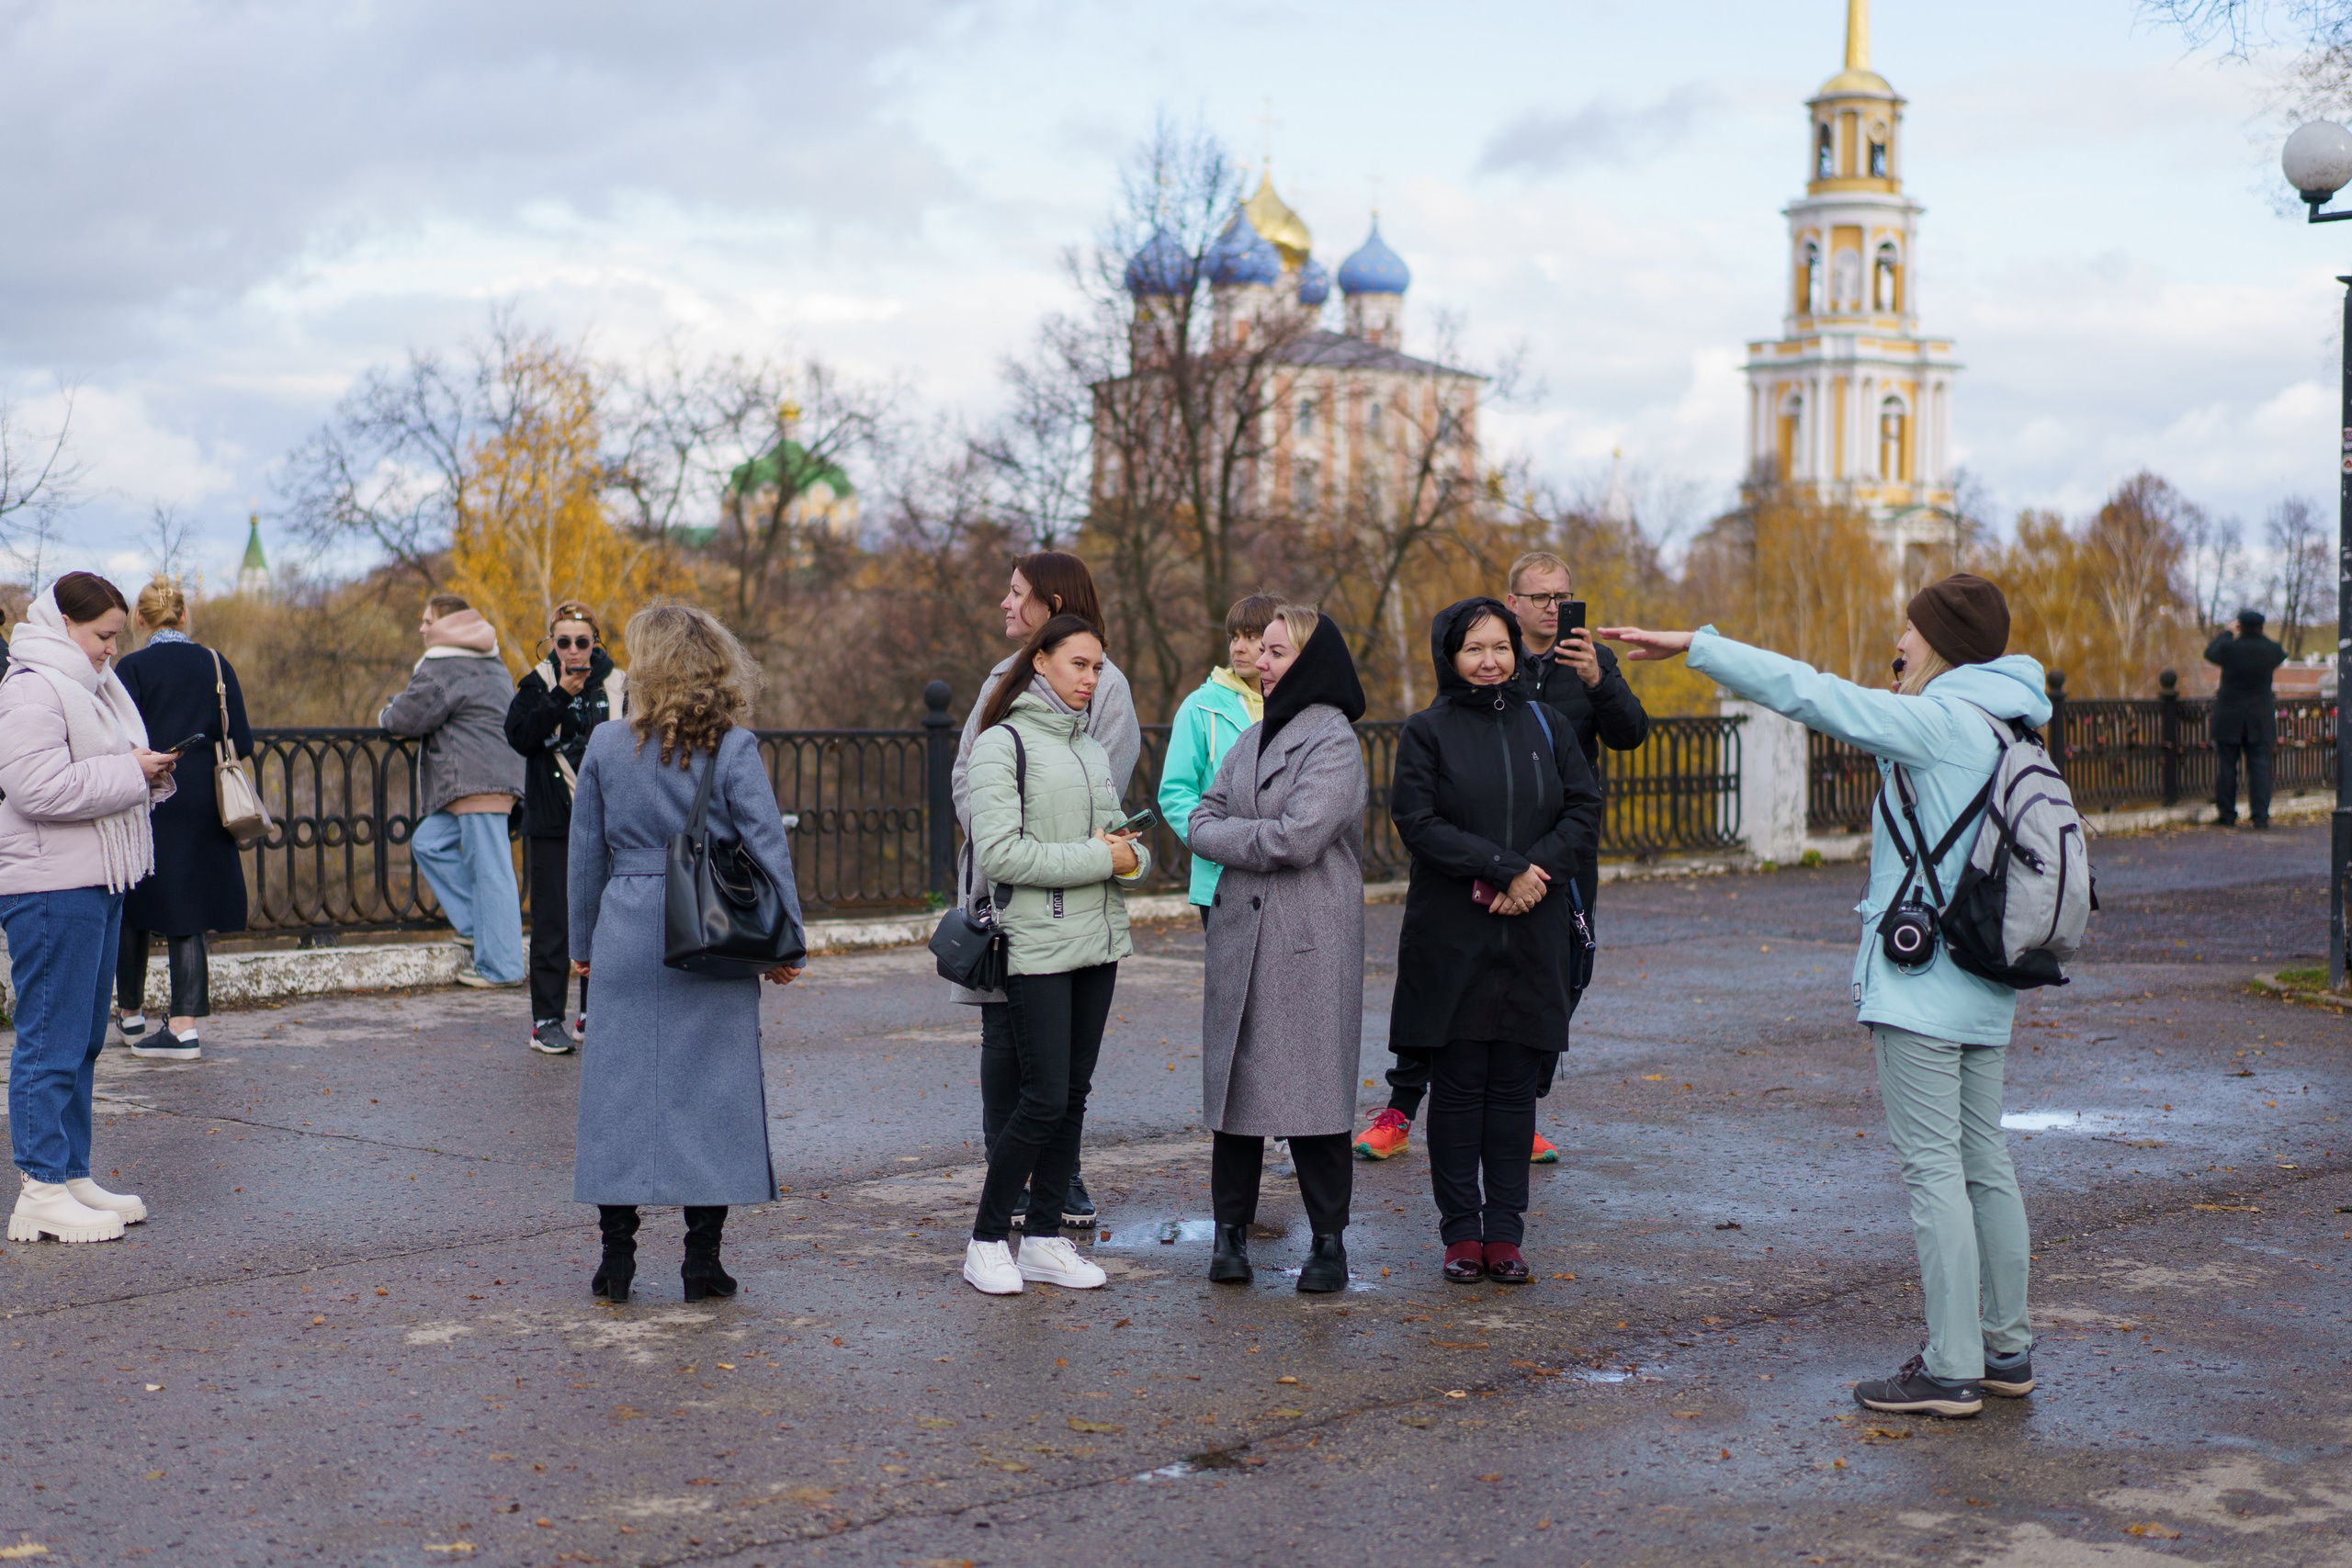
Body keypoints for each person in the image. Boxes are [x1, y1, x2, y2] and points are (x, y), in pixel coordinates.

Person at [1604, 572, 2042, 1418]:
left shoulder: (1940, 720)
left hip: (1924, 983)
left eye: (1911, 631)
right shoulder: (2013, 725)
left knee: (1933, 1169)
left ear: (1942, 641)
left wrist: (1699, 648)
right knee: (1983, 1159)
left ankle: (1952, 1367)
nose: (1901, 643)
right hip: (1992, 971)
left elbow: (1812, 695)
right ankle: (2005, 1347)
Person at [1356, 550, 1645, 1164]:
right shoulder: (1481, 654)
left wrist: (1601, 678)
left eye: (1561, 595)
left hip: (1556, 859)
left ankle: (1522, 1103)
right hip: (1469, 854)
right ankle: (1403, 1105)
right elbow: (1431, 774)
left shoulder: (1587, 663)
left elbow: (1630, 735)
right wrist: (1498, 866)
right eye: (1539, 596)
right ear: (1513, 602)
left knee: (1560, 975)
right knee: (1445, 976)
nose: (1552, 607)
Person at [566, 604, 802, 1303]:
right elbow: (768, 848)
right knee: (714, 1093)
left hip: (629, 927)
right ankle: (703, 1260)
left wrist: (583, 945)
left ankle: (617, 1261)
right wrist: (786, 942)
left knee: (619, 1093)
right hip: (712, 929)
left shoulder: (606, 746)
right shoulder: (733, 748)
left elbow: (584, 857)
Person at [1387, 598, 1603, 1286]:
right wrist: (1502, 866)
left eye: (1501, 646)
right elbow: (1416, 821)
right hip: (1454, 933)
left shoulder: (1550, 723)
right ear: (1450, 656)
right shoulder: (1427, 730)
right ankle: (1460, 1234)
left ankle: (1504, 1232)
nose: (1490, 660)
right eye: (1474, 648)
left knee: (1514, 1088)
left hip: (1531, 930)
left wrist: (1536, 871)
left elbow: (1583, 807)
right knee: (1458, 1086)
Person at [959, 614, 1150, 1295]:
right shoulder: (1000, 743)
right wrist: (1100, 856)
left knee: (1072, 1095)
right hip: (1036, 942)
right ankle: (986, 1240)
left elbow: (1123, 838)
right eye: (1079, 665)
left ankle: (1042, 1239)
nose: (1091, 680)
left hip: (1098, 942)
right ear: (1040, 661)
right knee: (1039, 1099)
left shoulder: (1090, 749)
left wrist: (1131, 855)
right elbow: (1001, 853)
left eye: (1098, 668)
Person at [1186, 605, 1368, 1292]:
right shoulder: (1252, 735)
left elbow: (1299, 837)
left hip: (1306, 942)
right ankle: (1228, 1234)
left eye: (1276, 652)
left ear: (1311, 662)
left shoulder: (1334, 741)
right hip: (1241, 937)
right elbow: (1199, 815)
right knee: (1235, 1097)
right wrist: (1245, 833)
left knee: (1313, 1095)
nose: (1259, 663)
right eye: (1260, 651)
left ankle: (1328, 1242)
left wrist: (1237, 835)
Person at [1, 573, 178, 1245]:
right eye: (104, 635)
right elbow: (34, 786)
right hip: (49, 882)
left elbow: (90, 774)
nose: (112, 649)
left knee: (81, 1036)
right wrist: (131, 771)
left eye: (115, 636)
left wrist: (146, 772)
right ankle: (40, 1189)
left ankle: (69, 1174)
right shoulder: (32, 685)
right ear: (66, 624)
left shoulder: (87, 686)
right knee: (50, 1036)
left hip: (91, 876)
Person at [111, 577, 254, 1060]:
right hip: (204, 802)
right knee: (187, 911)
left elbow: (115, 739)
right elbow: (244, 742)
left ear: (139, 620)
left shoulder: (130, 668)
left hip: (148, 796)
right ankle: (184, 1025)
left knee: (132, 901)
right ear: (184, 616)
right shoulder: (215, 663)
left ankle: (130, 1018)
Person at [381, 594, 526, 988]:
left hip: (477, 780)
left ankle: (502, 967)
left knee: (491, 872)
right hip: (486, 777)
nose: (422, 628)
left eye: (428, 621)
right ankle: (480, 928)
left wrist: (385, 713)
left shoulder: (443, 663)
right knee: (428, 842)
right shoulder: (488, 659)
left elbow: (408, 717)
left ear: (448, 624)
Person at [505, 601, 628, 1056]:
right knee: (554, 920)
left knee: (604, 917)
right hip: (553, 818)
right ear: (551, 643)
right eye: (563, 642)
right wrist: (560, 693)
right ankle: (545, 1020)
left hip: (609, 818)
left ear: (595, 641)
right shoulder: (537, 683)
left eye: (582, 641)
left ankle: (593, 1013)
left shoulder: (618, 684)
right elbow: (519, 737)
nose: (574, 651)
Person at [1159, 592, 1280, 924]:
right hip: (1219, 881)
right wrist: (1212, 841)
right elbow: (1175, 791)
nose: (1238, 647)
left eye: (1251, 637)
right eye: (1234, 637)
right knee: (1230, 977)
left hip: (1285, 881)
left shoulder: (1299, 708)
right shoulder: (1200, 707)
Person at [2206, 608, 2287, 829]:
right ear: (2261, 628)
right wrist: (2259, 636)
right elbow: (2281, 652)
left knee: (2227, 768)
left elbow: (2209, 653)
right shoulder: (2269, 650)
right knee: (2260, 769)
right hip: (2259, 719)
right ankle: (2260, 817)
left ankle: (2227, 815)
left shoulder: (2230, 648)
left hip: (2230, 717)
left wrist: (2226, 632)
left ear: (2239, 626)